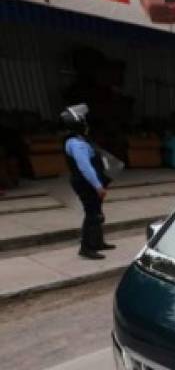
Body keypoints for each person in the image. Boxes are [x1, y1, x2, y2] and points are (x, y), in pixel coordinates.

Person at [61, 104, 114, 260]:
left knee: (96, 212)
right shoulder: (76, 144)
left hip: (87, 182)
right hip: (85, 183)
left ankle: (98, 242)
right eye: (84, 122)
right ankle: (86, 248)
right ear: (78, 124)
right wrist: (98, 186)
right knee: (92, 214)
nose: (86, 124)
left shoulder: (78, 140)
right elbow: (85, 167)